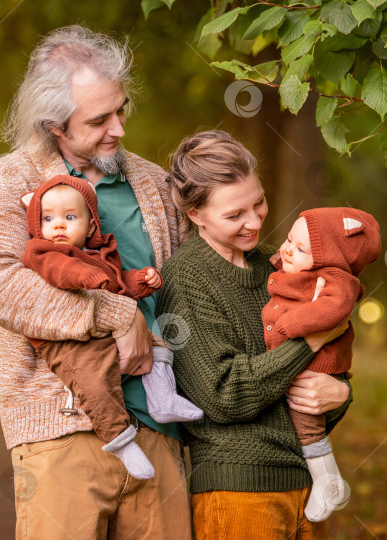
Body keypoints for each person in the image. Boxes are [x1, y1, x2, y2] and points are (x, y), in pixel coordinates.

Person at [0, 26, 193, 539]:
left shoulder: (154, 182)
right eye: (99, 119)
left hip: (158, 430)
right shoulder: (13, 178)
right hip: (61, 434)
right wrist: (116, 313)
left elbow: (193, 286)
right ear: (54, 126)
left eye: (122, 109)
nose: (118, 128)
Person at [155, 130, 354, 540]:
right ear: (195, 214)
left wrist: (341, 395)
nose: (254, 221)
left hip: (309, 486)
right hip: (238, 491)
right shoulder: (186, 277)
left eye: (258, 202)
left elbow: (319, 371)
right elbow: (224, 394)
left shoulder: (277, 267)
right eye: (234, 215)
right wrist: (310, 340)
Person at [19, 174, 203, 480]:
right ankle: (120, 440)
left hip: (104, 330)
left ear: (91, 225)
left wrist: (142, 281)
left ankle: (163, 399)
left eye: (70, 217)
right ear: (38, 227)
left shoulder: (100, 254)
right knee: (94, 380)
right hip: (65, 339)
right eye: (48, 218)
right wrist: (85, 277)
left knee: (157, 345)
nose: (59, 225)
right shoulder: (43, 252)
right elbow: (59, 272)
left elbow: (119, 282)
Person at [263, 208, 381, 522]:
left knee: (307, 426)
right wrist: (282, 258)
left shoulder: (337, 280)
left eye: (300, 248)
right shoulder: (300, 270)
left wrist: (291, 325)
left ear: (330, 259)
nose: (288, 248)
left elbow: (334, 309)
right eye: (289, 239)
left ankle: (328, 480)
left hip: (317, 365)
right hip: (298, 364)